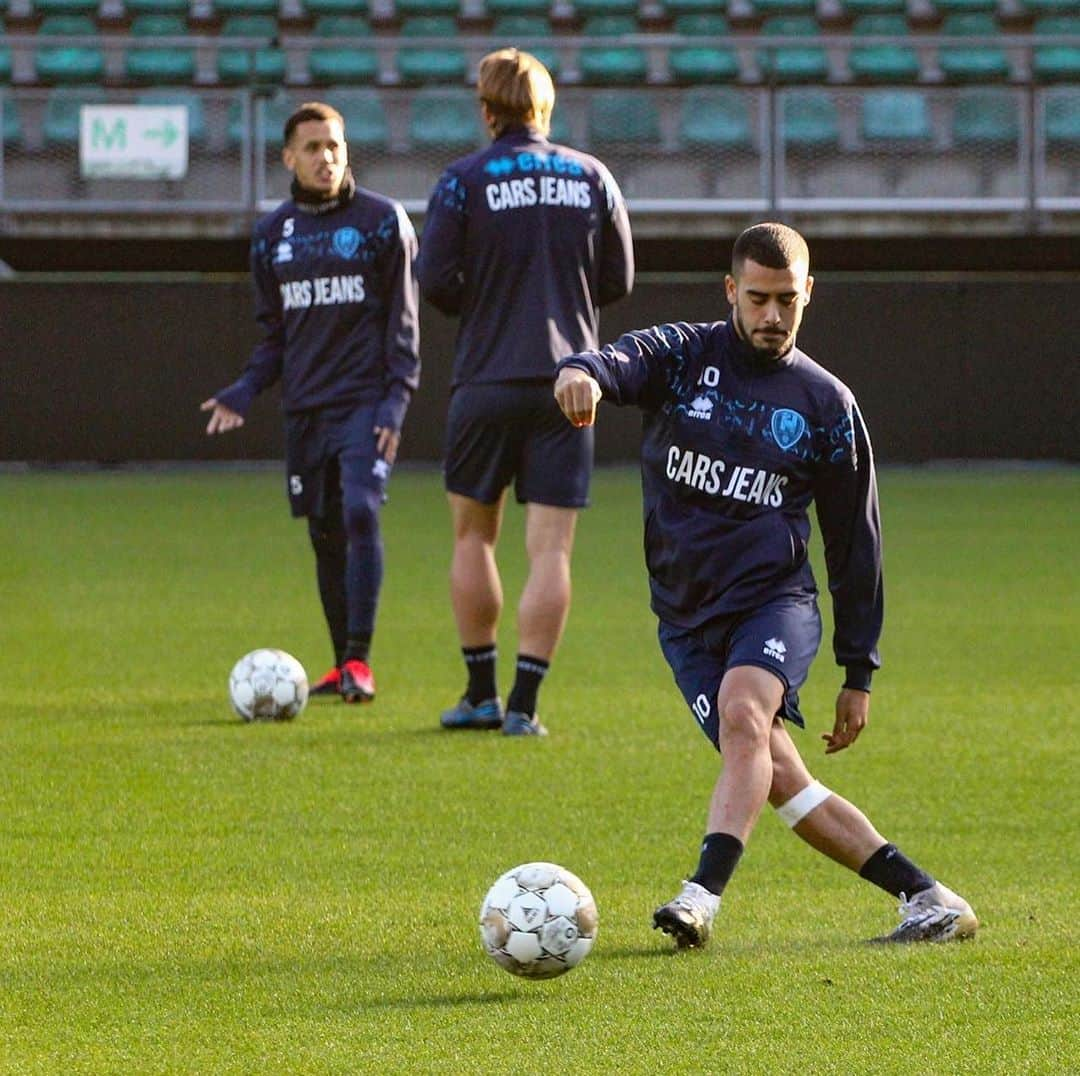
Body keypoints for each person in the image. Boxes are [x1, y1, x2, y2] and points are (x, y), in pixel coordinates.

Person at [553, 222, 977, 945]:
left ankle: (699, 898)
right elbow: (615, 360)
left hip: (773, 604)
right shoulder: (685, 357)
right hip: (685, 619)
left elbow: (855, 546)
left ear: (809, 293)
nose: (773, 315)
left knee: (745, 716)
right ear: (731, 293)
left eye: (787, 299)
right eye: (758, 299)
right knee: (778, 776)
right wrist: (579, 373)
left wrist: (858, 670)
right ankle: (931, 899)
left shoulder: (827, 406)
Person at [417, 48, 634, 737]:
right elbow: (618, 279)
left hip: (484, 378)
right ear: (545, 107)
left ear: (486, 110)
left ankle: (479, 694)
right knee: (552, 551)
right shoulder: (591, 175)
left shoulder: (461, 181)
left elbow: (434, 279)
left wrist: (485, 298)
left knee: (473, 536)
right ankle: (525, 707)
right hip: (569, 383)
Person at [201, 101, 420, 704]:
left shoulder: (382, 221)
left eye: (335, 146)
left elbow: (404, 328)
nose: (327, 157)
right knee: (325, 532)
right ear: (288, 157)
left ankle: (359, 661)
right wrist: (244, 391)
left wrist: (395, 405)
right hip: (305, 410)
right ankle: (339, 664)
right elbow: (275, 335)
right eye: (314, 148)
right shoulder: (272, 234)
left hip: (366, 405)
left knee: (359, 512)